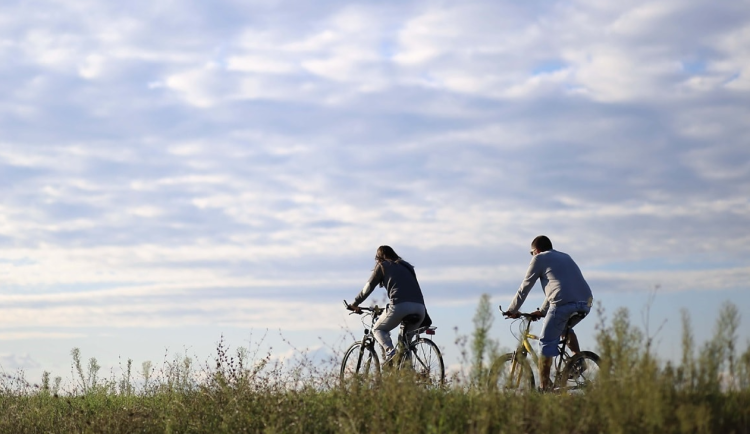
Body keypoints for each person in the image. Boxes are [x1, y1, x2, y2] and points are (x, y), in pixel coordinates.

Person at [504, 235, 593, 391]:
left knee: (545, 343)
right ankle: (577, 360)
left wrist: (512, 310)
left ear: (536, 251)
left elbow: (524, 287)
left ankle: (545, 387)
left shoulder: (539, 259)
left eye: (531, 253)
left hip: (563, 304)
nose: (532, 257)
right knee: (564, 328)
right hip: (585, 302)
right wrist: (542, 311)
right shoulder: (565, 256)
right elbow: (559, 287)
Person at [347, 245, 426, 362]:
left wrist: (355, 303)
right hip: (420, 308)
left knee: (377, 329)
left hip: (400, 306)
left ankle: (390, 352)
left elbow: (368, 287)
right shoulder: (408, 266)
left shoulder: (383, 266)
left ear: (379, 258)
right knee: (405, 346)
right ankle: (408, 374)